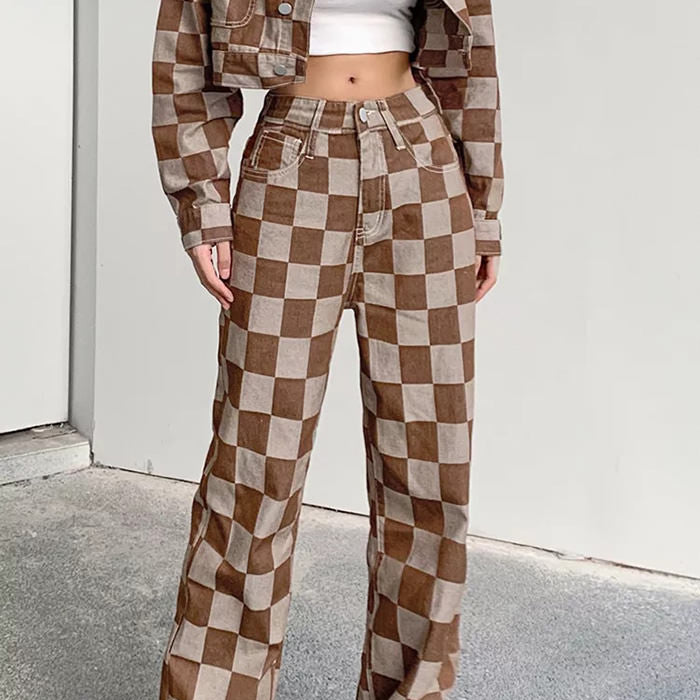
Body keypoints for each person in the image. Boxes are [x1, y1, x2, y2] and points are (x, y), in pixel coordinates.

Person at [150, 0, 504, 698]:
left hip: (421, 165)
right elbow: (182, 49)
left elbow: (474, 56)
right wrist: (203, 202)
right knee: (255, 466)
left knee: (430, 471)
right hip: (292, 161)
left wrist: (484, 209)